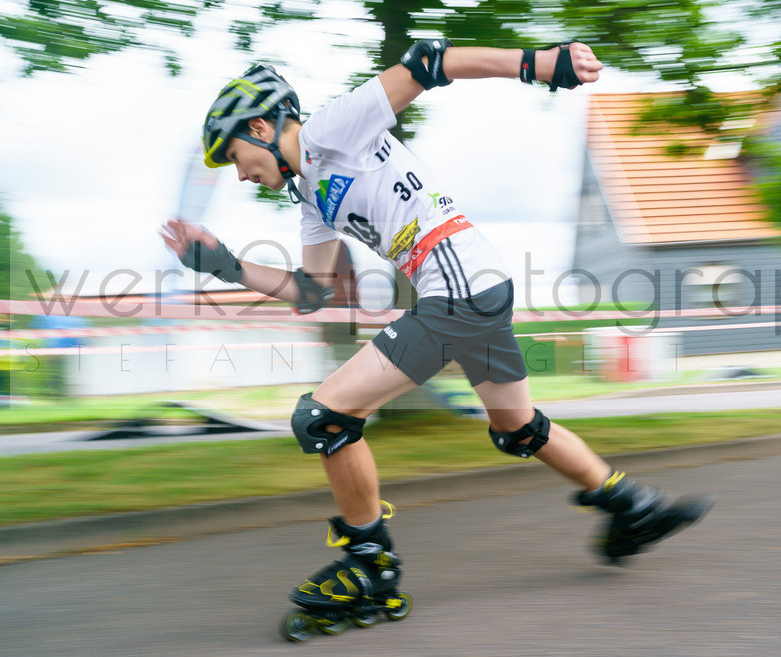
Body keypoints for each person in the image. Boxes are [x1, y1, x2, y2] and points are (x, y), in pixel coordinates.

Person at [162, 40, 712, 641]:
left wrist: (539, 65)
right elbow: (314, 291)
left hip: (458, 288)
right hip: (476, 283)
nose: (240, 172)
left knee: (323, 418)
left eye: (236, 155)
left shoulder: (328, 129)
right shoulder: (313, 195)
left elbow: (431, 61)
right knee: (518, 427)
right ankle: (627, 504)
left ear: (263, 126)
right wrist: (224, 265)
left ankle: (371, 566)